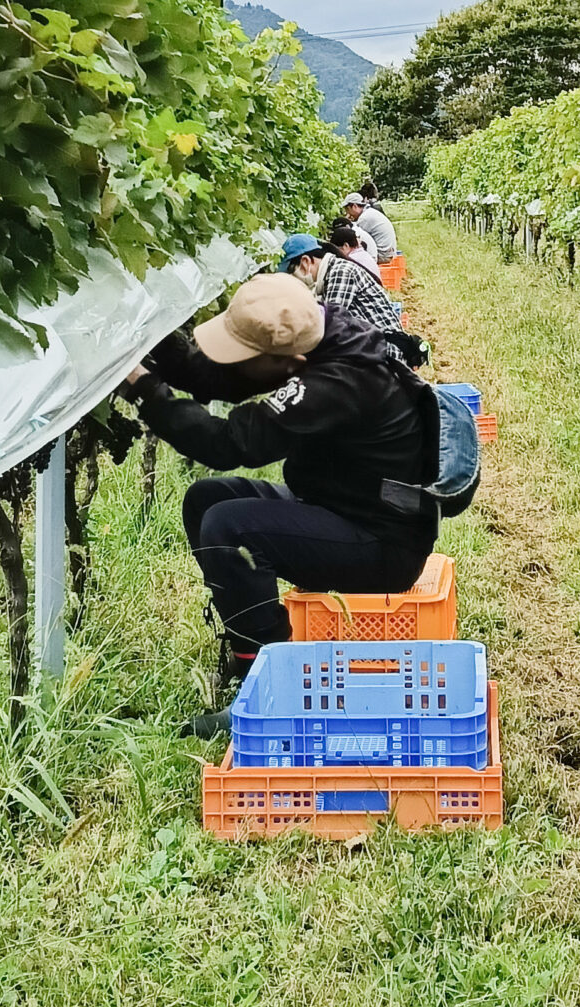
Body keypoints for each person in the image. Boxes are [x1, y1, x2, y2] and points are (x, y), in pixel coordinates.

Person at [124, 272, 438, 685]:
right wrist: (150, 338)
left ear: (291, 363)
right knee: (205, 500)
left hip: (382, 544)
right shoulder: (319, 331)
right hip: (340, 505)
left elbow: (227, 444)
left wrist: (145, 391)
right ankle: (246, 641)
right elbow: (225, 376)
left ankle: (268, 677)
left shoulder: (340, 381)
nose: (234, 357)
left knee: (229, 527)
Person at [281, 230, 426, 359]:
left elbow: (329, 325)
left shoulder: (341, 272)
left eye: (290, 273)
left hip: (386, 352)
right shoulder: (327, 277)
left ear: (306, 262)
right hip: (371, 346)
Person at [345, 192, 398, 266]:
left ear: (354, 206)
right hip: (388, 252)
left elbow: (356, 240)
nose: (347, 213)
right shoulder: (369, 212)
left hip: (383, 255)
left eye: (347, 209)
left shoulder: (364, 218)